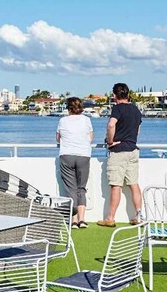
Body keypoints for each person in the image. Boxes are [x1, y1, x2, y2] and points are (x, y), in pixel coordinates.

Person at [98, 83, 144, 227]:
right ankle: (139, 216)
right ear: (128, 94)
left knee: (116, 185)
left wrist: (110, 141)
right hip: (133, 149)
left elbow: (111, 125)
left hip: (119, 151)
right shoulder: (136, 110)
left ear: (114, 95)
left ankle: (110, 218)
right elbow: (138, 129)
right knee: (134, 184)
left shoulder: (117, 109)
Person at [57, 97, 93, 227]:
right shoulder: (86, 120)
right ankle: (82, 220)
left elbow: (58, 138)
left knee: (71, 189)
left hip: (67, 155)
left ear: (68, 108)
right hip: (83, 155)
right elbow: (90, 137)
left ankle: (73, 220)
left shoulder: (62, 121)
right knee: (81, 188)